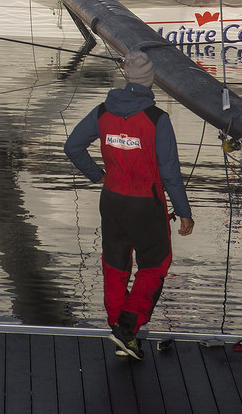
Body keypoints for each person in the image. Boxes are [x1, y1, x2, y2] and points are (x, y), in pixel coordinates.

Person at [64, 53, 194, 361]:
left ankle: (119, 331)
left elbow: (72, 147)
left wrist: (97, 175)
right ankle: (127, 328)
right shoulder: (157, 119)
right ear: (150, 81)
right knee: (154, 265)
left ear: (127, 78)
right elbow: (170, 172)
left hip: (111, 201)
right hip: (147, 205)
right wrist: (184, 211)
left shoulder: (102, 111)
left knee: (115, 265)